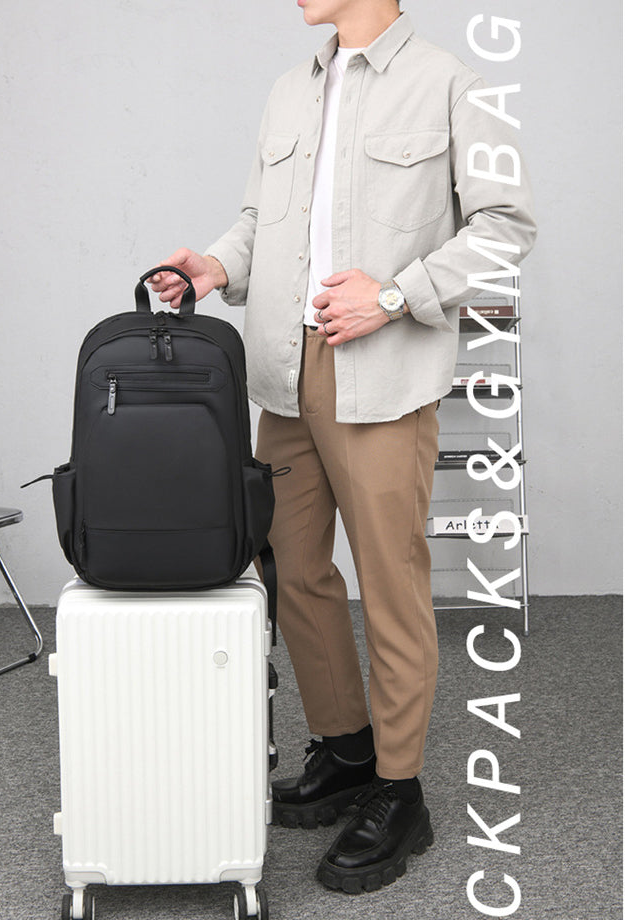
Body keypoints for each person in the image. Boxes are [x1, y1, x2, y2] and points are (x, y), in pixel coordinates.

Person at [149, 0, 536, 895]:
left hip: (384, 371)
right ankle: (348, 748)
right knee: (291, 567)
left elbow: (506, 229)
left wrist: (394, 297)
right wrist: (217, 266)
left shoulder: (454, 85)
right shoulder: (290, 90)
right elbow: (262, 218)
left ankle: (401, 791)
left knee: (390, 582)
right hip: (285, 372)